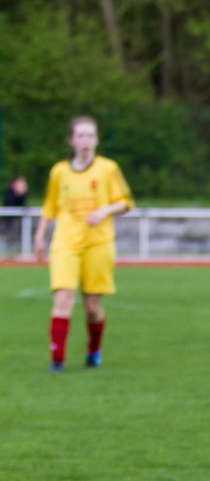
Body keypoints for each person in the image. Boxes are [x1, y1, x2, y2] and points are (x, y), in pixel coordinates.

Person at [33, 116, 134, 372]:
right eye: (80, 136)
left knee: (92, 307)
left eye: (90, 135)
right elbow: (50, 206)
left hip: (98, 242)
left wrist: (105, 211)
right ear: (71, 140)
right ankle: (57, 361)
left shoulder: (108, 169)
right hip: (65, 241)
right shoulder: (59, 172)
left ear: (97, 139)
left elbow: (126, 202)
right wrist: (39, 234)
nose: (86, 141)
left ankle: (94, 350)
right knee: (64, 297)